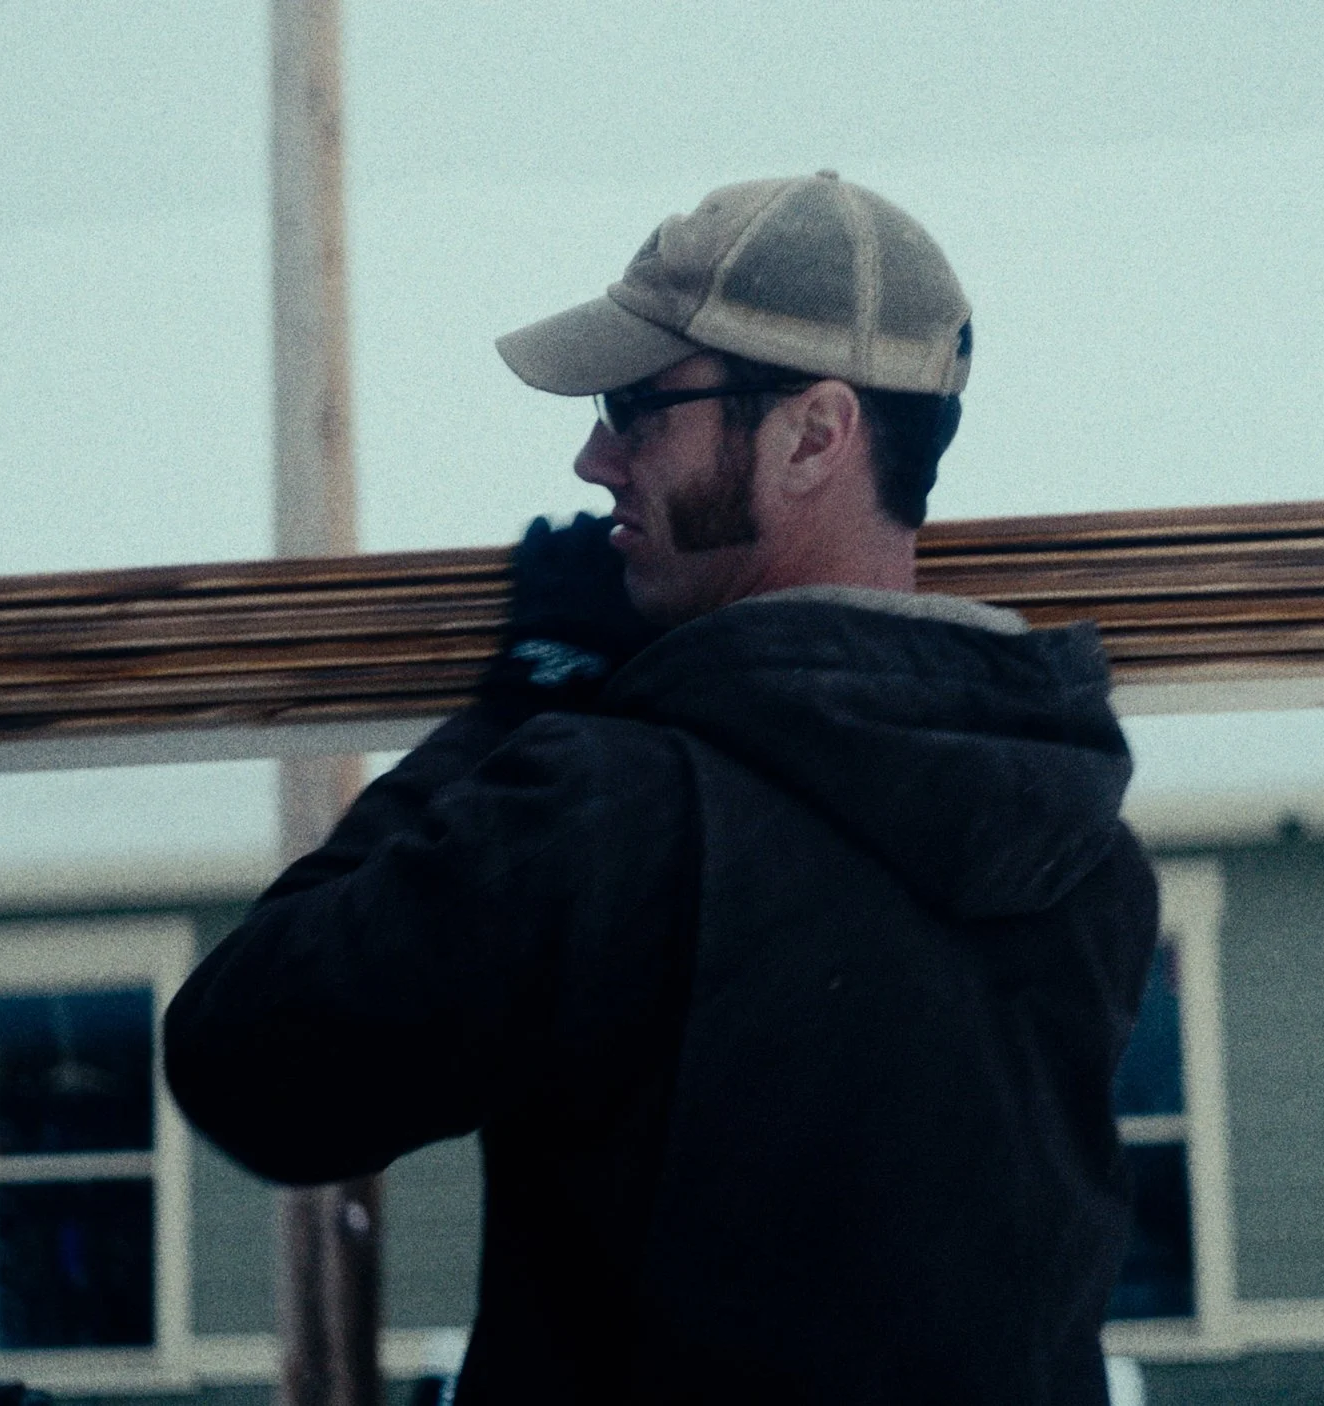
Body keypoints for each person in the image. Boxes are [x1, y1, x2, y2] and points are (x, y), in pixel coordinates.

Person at [165, 173, 1160, 1405]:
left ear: (812, 434)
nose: (593, 455)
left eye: (638, 407)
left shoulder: (615, 812)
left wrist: (525, 699)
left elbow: (249, 1061)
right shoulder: (1085, 853)